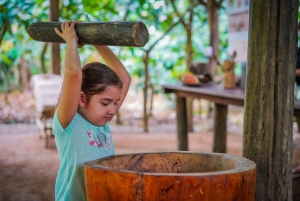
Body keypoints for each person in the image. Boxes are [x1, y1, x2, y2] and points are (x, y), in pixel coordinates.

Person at [51, 21, 131, 200]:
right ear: (81, 98)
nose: (112, 110)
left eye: (115, 103)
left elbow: (124, 79)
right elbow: (73, 74)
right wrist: (71, 40)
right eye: (105, 103)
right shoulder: (69, 124)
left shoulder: (102, 123)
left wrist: (97, 41)